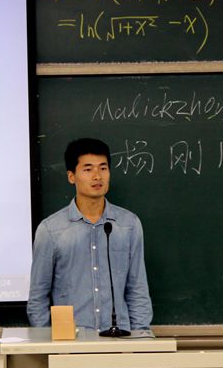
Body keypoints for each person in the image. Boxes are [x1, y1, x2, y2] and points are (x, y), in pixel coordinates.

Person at [27, 138, 152, 332]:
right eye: (88, 169)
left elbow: (137, 289)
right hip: (70, 341)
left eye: (103, 168)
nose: (97, 176)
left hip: (119, 339)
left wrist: (140, 337)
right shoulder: (51, 230)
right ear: (71, 176)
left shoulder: (128, 225)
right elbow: (38, 298)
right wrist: (49, 341)